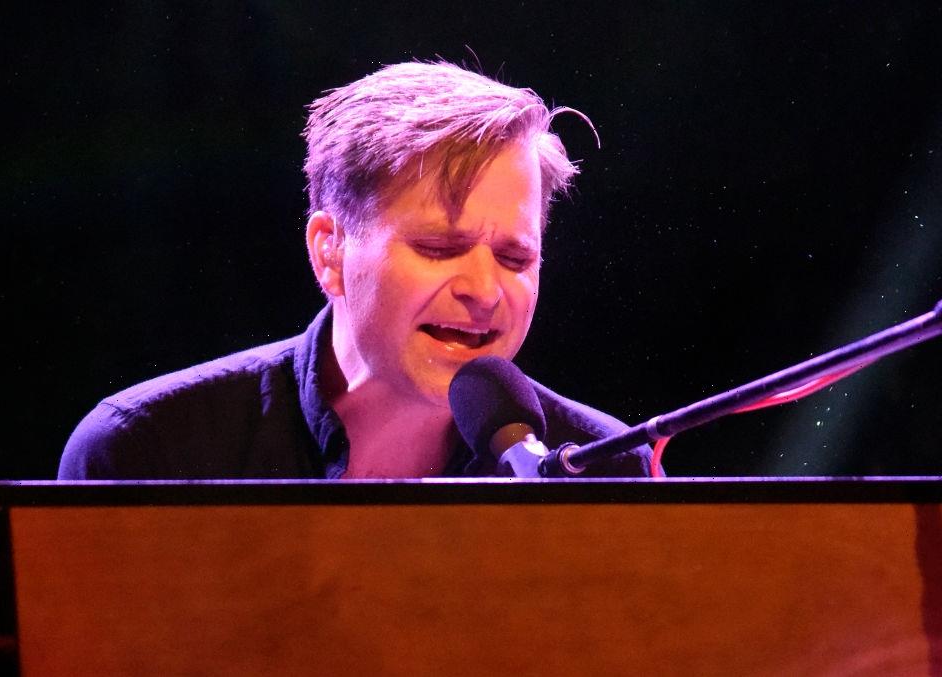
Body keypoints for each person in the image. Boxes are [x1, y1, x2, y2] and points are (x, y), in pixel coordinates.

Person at [59, 62, 657, 480]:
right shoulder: (149, 452)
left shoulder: (603, 468)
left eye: (514, 258)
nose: (484, 291)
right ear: (330, 251)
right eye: (439, 247)